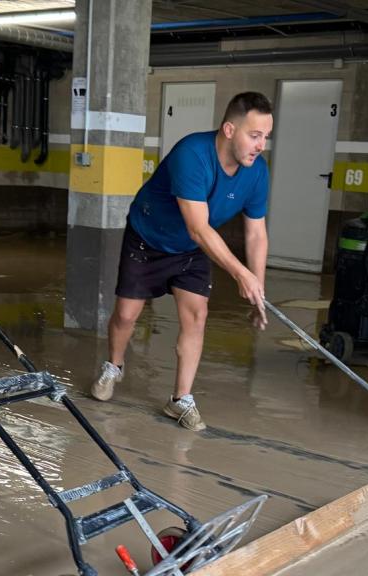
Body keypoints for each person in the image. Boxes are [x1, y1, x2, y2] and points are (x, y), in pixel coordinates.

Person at [91, 92, 273, 432]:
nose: (261, 145)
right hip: (149, 239)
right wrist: (240, 274)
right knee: (127, 315)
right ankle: (114, 365)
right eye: (255, 135)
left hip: (190, 249)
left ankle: (180, 399)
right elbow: (198, 226)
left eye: (266, 136)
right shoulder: (192, 154)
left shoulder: (257, 173)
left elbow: (257, 235)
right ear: (230, 129)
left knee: (196, 315)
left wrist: (256, 286)